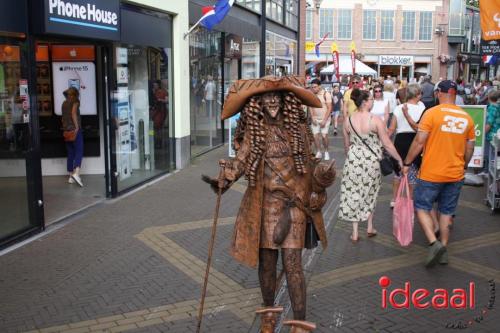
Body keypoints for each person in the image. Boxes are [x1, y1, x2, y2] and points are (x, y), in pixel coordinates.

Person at [204, 76, 335, 333]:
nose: (272, 101)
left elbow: (310, 164)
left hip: (294, 205)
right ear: (258, 104)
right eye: (266, 98)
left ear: (286, 101)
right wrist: (224, 179)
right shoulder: (255, 133)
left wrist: (320, 183)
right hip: (263, 205)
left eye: (277, 97)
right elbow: (240, 162)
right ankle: (268, 312)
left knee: (293, 264)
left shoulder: (298, 131)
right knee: (266, 262)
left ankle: (299, 322)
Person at [403, 80, 475, 267]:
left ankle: (434, 244)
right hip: (455, 174)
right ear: (454, 94)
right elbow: (469, 149)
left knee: (421, 206)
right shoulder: (467, 118)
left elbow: (419, 142)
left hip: (431, 173)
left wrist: (407, 162)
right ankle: (443, 247)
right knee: (446, 211)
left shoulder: (432, 114)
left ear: (439, 94)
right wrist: (464, 166)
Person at [339, 89, 403, 243]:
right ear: (365, 102)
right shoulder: (376, 120)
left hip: (353, 159)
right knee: (370, 192)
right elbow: (387, 144)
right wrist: (399, 159)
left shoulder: (348, 120)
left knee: (353, 192)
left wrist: (352, 157)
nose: (373, 101)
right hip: (371, 160)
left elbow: (346, 146)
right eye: (371, 99)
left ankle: (354, 232)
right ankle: (369, 227)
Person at [387, 83, 426, 207]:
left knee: (398, 172)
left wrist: (384, 141)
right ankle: (410, 200)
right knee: (413, 171)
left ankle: (394, 199)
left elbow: (392, 128)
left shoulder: (399, 108)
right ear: (417, 94)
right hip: (416, 140)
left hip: (400, 140)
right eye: (420, 93)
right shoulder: (422, 107)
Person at [61, 87, 83, 187]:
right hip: (74, 130)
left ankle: (70, 176)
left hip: (66, 131)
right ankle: (76, 173)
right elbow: (73, 113)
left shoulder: (64, 103)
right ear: (75, 94)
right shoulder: (75, 101)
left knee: (70, 153)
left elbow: (62, 118)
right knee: (79, 150)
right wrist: (77, 126)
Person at [309, 79, 333, 160]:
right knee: (315, 136)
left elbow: (329, 108)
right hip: (315, 119)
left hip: (325, 119)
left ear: (320, 86)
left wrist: (325, 120)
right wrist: (312, 117)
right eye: (312, 87)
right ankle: (318, 151)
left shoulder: (326, 94)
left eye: (315, 87)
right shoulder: (312, 94)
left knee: (324, 136)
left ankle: (326, 152)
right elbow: (311, 106)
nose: (313, 89)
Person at [479, 90, 500, 177]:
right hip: (496, 133)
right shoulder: (498, 106)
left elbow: (489, 123)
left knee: (489, 154)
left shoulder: (492, 108)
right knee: (493, 154)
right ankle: (488, 171)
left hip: (491, 134)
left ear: (488, 97)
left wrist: (483, 133)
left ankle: (489, 172)